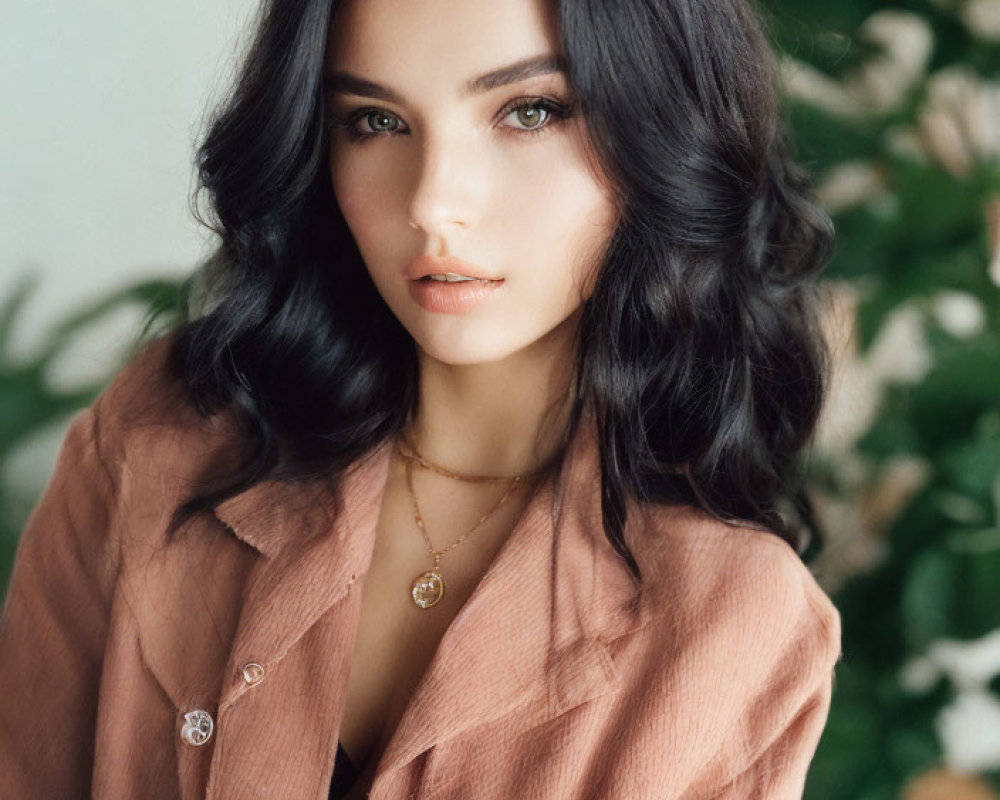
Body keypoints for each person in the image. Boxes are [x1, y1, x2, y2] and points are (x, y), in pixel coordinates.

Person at [0, 0, 842, 797]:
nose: (434, 203)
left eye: (530, 112)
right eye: (375, 121)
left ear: (664, 126)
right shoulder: (160, 445)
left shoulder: (733, 626)